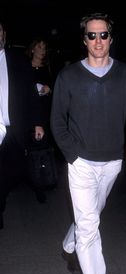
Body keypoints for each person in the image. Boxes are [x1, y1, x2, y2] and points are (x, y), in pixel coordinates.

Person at [50, 12, 126, 274]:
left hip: (112, 164)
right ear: (84, 40)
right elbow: (57, 120)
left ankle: (70, 245)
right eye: (91, 35)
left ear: (111, 38)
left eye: (103, 35)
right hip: (80, 163)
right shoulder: (69, 76)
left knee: (89, 215)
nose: (98, 41)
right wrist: (73, 155)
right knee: (90, 227)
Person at [0, 19, 45, 229]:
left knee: (15, 170)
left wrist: (37, 122)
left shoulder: (18, 61)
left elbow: (31, 95)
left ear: (4, 35)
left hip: (12, 130)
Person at [26, 38, 55, 203]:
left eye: (44, 47)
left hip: (44, 113)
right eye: (39, 46)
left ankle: (42, 182)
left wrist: (49, 89)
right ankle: (32, 179)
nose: (42, 50)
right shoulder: (24, 67)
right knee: (30, 149)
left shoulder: (48, 69)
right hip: (28, 113)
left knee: (42, 149)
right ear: (32, 49)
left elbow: (53, 87)